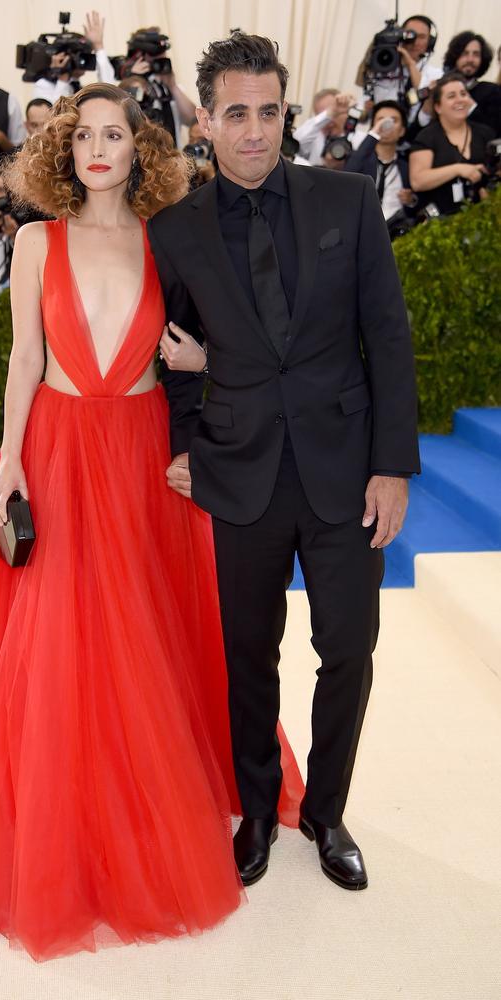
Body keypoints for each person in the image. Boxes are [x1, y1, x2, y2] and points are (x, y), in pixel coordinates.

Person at [0, 82, 304, 961]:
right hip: (62, 452)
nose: (99, 148)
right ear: (62, 152)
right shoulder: (37, 241)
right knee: (55, 630)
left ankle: (165, 788)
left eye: (116, 134)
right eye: (84, 136)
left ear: (139, 150)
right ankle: (57, 806)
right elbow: (23, 360)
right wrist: (12, 462)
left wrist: (208, 366)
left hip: (146, 457)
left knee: (148, 630)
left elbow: (231, 345)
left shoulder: (168, 240)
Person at [149, 32, 420, 892]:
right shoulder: (176, 230)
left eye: (270, 112)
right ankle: (259, 808)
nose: (256, 131)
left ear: (284, 111)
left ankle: (328, 811)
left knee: (350, 646)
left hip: (346, 469)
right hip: (240, 470)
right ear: (206, 120)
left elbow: (387, 335)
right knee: (247, 655)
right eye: (237, 114)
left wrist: (393, 464)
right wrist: (187, 443)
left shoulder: (345, 200)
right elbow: (168, 352)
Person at [409, 73, 494, 216]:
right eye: (451, 96)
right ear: (438, 107)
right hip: (440, 223)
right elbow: (418, 181)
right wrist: (458, 169)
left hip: (482, 218)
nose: (460, 100)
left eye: (463, 94)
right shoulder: (427, 137)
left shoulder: (485, 133)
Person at [345, 101, 416, 222]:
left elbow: (414, 209)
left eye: (393, 120)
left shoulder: (406, 167)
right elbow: (348, 175)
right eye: (381, 120)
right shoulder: (360, 159)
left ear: (402, 131)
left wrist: (410, 201)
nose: (386, 125)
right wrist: (374, 134)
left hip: (393, 232)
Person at [32, 10, 116, 103]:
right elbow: (55, 115)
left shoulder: (80, 88)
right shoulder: (43, 85)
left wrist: (98, 47)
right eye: (80, 55)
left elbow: (112, 93)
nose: (83, 60)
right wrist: (62, 79)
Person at [443, 30, 501, 137]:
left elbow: (492, 130)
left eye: (476, 54)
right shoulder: (442, 88)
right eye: (465, 53)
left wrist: (467, 103)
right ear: (455, 57)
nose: (470, 59)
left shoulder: (492, 91)